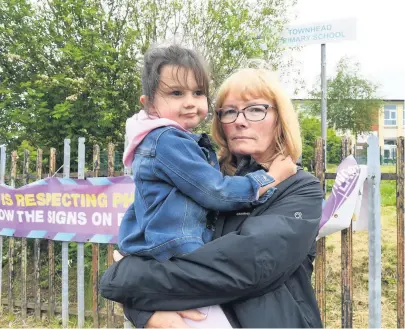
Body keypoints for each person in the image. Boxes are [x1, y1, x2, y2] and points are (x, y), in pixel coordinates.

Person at [100, 67, 324, 328]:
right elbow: (150, 239)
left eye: (255, 109)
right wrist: (144, 313)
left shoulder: (300, 188)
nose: (240, 121)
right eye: (229, 111)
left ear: (279, 117)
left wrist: (122, 279)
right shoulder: (201, 180)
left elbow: (243, 269)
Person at [119, 44, 296, 262]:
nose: (190, 103)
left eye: (198, 93)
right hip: (179, 246)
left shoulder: (162, 140)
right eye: (176, 93)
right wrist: (272, 178)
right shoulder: (167, 141)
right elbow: (216, 192)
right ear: (149, 105)